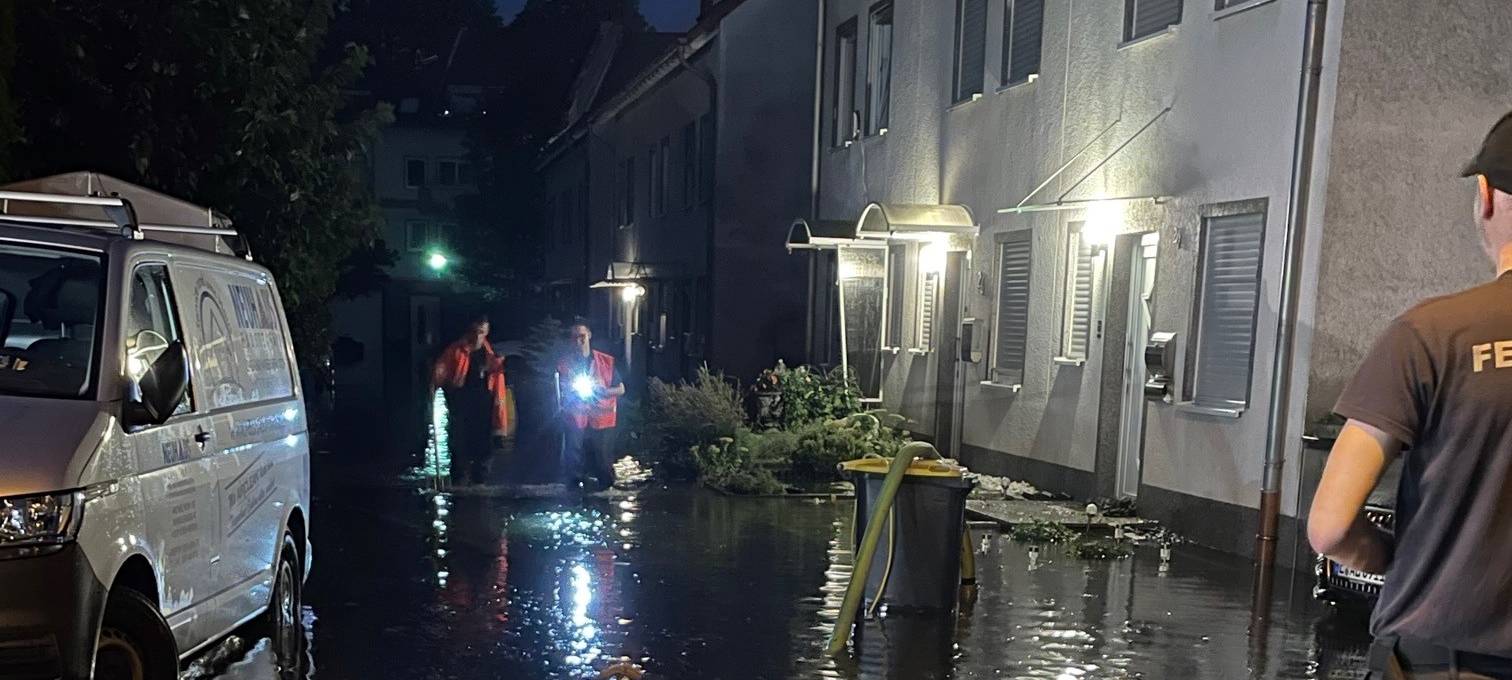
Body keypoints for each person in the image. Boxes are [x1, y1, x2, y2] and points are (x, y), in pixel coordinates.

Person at [1309, 112, 1512, 679]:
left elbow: (1329, 526)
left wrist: (1394, 559)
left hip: (1439, 663)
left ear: (1487, 194)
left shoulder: (1432, 337)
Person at [432, 316, 508, 486]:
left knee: (483, 440)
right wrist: (436, 379)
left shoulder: (490, 353)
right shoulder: (457, 349)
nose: (477, 337)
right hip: (461, 398)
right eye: (475, 332)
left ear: (486, 333)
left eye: (481, 332)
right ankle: (459, 475)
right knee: (459, 438)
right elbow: (442, 368)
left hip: (484, 400)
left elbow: (497, 373)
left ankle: (480, 476)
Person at [557, 322, 625, 491]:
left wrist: (603, 392)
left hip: (601, 416)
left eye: (582, 336)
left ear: (589, 336)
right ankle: (574, 491)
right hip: (576, 415)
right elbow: (559, 389)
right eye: (575, 337)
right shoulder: (564, 364)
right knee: (573, 455)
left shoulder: (605, 361)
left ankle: (606, 489)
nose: (579, 340)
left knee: (602, 458)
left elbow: (621, 389)